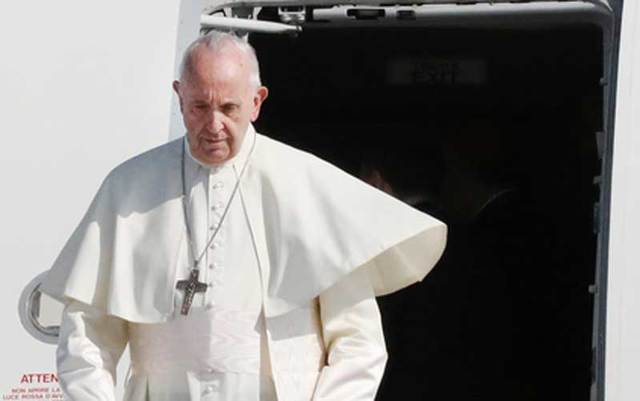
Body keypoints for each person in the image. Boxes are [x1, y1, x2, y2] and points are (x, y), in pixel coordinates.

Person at [41, 31, 446, 401]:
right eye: (199, 106)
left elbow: (359, 343)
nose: (213, 125)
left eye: (228, 107)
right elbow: (85, 335)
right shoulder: (128, 187)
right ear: (179, 96)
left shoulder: (308, 186)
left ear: (257, 102)